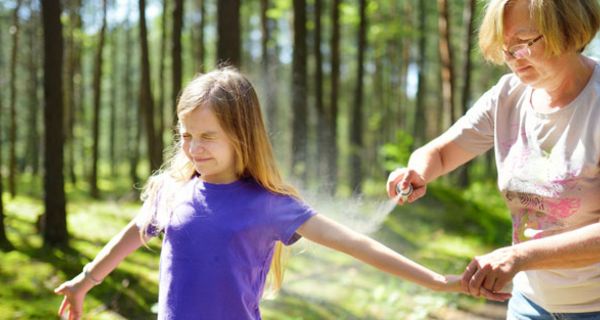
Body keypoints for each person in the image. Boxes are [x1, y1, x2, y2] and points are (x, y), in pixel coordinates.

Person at [54, 68, 461, 320]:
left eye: (208, 137)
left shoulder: (271, 206)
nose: (194, 148)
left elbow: (356, 245)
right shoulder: (170, 191)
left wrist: (437, 282)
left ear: (241, 136)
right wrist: (85, 281)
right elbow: (133, 233)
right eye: (187, 136)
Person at [387, 0, 600, 318]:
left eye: (523, 43)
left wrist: (519, 256)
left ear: (567, 29)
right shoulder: (507, 97)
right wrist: (416, 172)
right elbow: (441, 152)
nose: (511, 58)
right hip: (530, 304)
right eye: (504, 46)